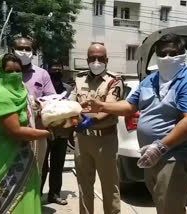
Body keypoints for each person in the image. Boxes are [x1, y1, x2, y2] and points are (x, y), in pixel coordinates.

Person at [82, 34, 187, 214]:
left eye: (173, 53)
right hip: (151, 155)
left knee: (169, 206)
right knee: (163, 203)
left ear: (182, 55)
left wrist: (160, 146)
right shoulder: (151, 80)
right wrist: (102, 105)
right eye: (162, 54)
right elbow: (129, 106)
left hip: (176, 157)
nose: (167, 58)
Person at [0, 54, 50, 214]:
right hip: (3, 163)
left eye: (17, 71)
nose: (14, 75)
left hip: (23, 157)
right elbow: (15, 131)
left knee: (26, 202)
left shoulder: (23, 93)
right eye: (9, 71)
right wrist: (46, 133)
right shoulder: (0, 96)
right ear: (0, 72)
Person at [0, 35, 56, 174]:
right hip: (8, 134)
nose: (23, 51)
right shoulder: (0, 73)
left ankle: (36, 195)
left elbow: (51, 100)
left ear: (33, 51)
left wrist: (36, 105)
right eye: (19, 48)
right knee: (8, 174)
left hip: (36, 132)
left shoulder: (42, 74)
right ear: (13, 50)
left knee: (35, 174)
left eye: (27, 48)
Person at [69, 43, 123, 214]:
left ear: (106, 60)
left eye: (100, 58)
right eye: (93, 58)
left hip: (105, 140)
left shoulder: (114, 80)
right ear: (87, 60)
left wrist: (90, 119)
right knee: (84, 185)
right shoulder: (79, 79)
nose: (96, 62)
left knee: (109, 186)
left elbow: (109, 106)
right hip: (83, 139)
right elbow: (71, 105)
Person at [41, 68, 72, 205]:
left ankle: (54, 194)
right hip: (44, 132)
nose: (55, 80)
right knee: (42, 165)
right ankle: (38, 192)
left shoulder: (68, 90)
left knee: (57, 165)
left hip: (62, 132)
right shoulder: (43, 88)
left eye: (57, 76)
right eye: (52, 76)